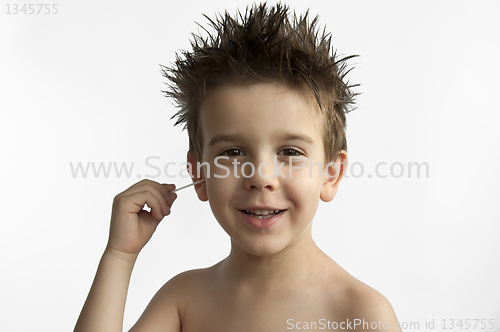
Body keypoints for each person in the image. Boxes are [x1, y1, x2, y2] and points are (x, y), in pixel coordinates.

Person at [74, 3, 399, 331]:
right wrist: (119, 257)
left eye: (289, 151)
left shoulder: (360, 315)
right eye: (232, 151)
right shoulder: (184, 301)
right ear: (199, 175)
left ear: (331, 174)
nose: (259, 177)